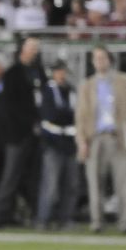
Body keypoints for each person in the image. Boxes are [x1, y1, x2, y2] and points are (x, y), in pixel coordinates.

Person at [75, 46, 126, 233]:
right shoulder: (87, 85)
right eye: (96, 58)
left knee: (124, 182)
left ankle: (125, 222)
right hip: (95, 138)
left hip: (119, 136)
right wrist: (81, 141)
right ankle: (96, 221)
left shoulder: (124, 81)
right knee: (94, 182)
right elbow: (80, 117)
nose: (99, 61)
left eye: (102, 57)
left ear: (110, 60)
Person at [0, 36, 42, 227]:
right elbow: (8, 108)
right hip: (18, 135)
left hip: (35, 134)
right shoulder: (13, 74)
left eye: (36, 48)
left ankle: (26, 214)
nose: (34, 51)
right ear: (23, 49)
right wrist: (22, 127)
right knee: (10, 177)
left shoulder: (38, 72)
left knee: (28, 178)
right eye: (31, 48)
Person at [35, 59, 80, 230]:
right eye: (58, 71)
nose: (61, 74)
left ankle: (66, 218)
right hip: (53, 143)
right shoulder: (48, 91)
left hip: (69, 142)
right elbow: (51, 115)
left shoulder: (70, 91)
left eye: (63, 71)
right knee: (50, 184)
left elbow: (74, 115)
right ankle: (43, 218)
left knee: (71, 184)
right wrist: (65, 116)